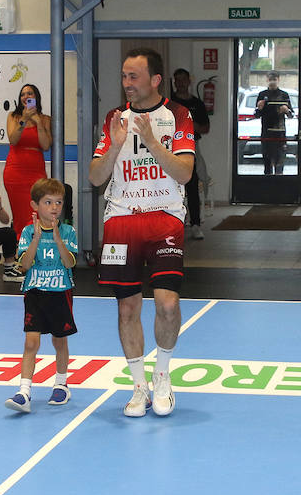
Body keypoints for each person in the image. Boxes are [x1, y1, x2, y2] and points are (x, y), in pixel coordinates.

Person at [89, 48, 194, 418]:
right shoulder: (113, 119)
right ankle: (138, 387)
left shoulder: (178, 115)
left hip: (164, 217)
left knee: (167, 303)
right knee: (127, 307)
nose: (127, 84)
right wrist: (116, 144)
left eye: (134, 77)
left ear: (155, 80)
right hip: (121, 219)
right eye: (123, 77)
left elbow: (184, 173)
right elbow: (95, 178)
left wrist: (151, 142)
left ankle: (162, 377)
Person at [4, 178, 78, 413]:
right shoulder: (27, 232)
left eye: (58, 202)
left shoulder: (68, 232)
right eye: (48, 202)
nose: (55, 207)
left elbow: (69, 262)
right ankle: (24, 392)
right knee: (31, 342)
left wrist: (57, 238)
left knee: (59, 340)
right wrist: (36, 238)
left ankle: (61, 383)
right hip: (35, 293)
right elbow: (24, 265)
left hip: (60, 293)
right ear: (35, 205)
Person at [3, 83, 50, 249]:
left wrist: (38, 123)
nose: (26, 96)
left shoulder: (45, 119)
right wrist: (23, 119)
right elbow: (13, 140)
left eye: (30, 93)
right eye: (23, 94)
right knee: (21, 216)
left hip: (36, 173)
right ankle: (21, 255)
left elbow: (46, 145)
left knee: (39, 212)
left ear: (36, 97)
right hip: (15, 172)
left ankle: (37, 251)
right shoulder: (13, 117)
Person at [171, 68, 211, 239]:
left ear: (189, 81)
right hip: (170, 149)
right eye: (177, 80)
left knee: (192, 186)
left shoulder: (197, 103)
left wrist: (190, 125)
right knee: (171, 187)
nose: (180, 83)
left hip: (190, 148)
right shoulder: (168, 102)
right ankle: (174, 223)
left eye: (183, 80)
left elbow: (206, 128)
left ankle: (195, 224)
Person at [255, 72, 292, 175]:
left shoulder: (284, 95)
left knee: (279, 163)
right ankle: (268, 184)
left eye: (274, 79)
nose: (272, 82)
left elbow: (291, 115)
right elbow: (256, 115)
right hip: (267, 133)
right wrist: (259, 108)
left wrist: (286, 110)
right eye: (270, 79)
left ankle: (280, 184)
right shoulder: (262, 95)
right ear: (266, 80)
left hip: (280, 133)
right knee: (267, 163)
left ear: (278, 80)